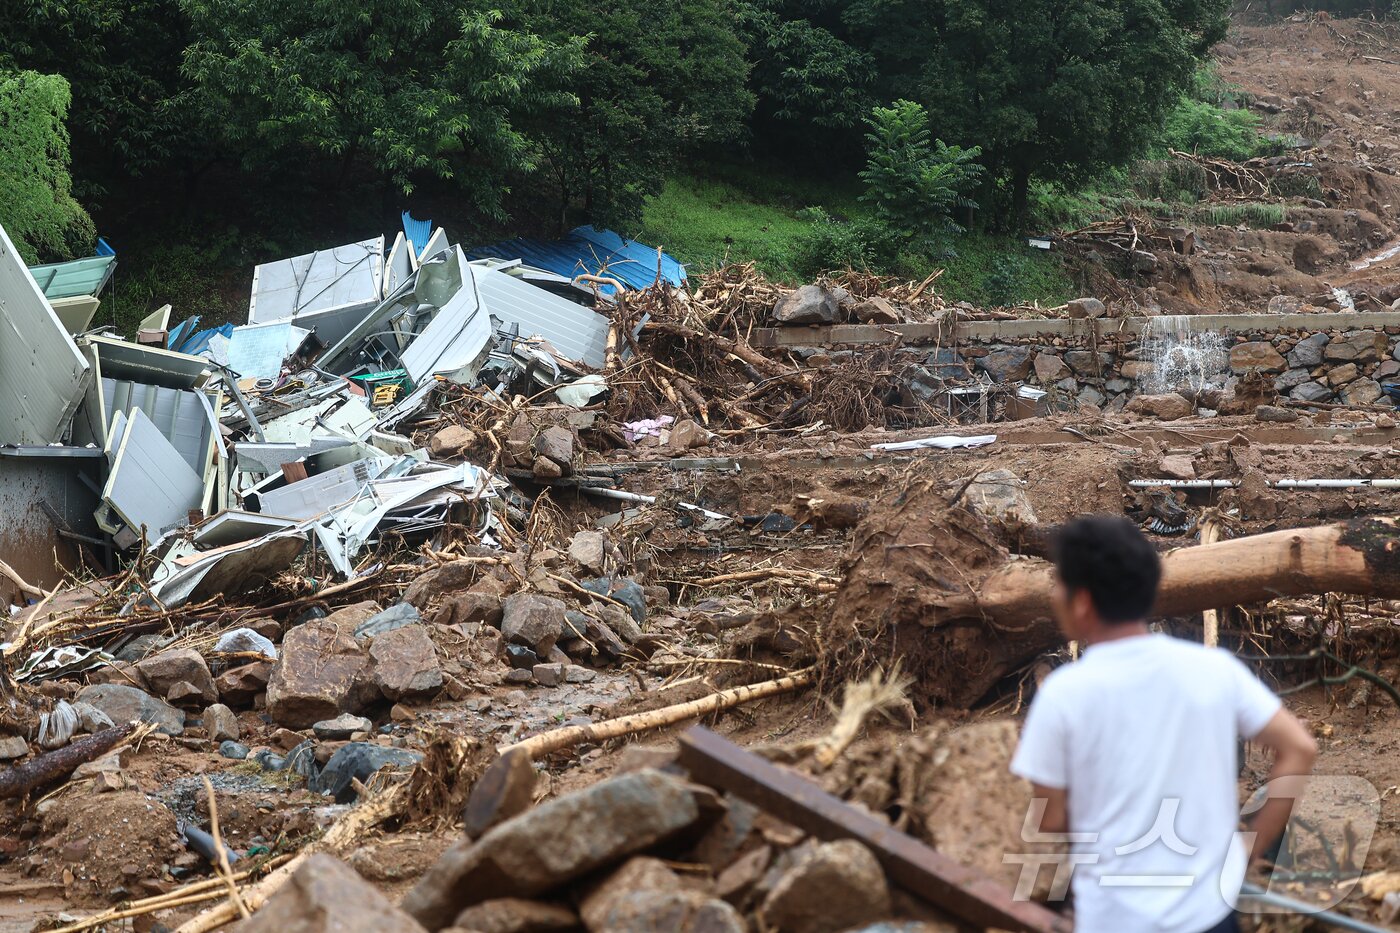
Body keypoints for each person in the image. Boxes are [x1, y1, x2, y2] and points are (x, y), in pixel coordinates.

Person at [1010, 515, 1318, 933]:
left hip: (1114, 919)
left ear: (1081, 601)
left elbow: (1049, 818)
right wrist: (1248, 851)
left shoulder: (1065, 693)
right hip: (1210, 913)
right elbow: (1299, 749)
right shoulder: (1214, 669)